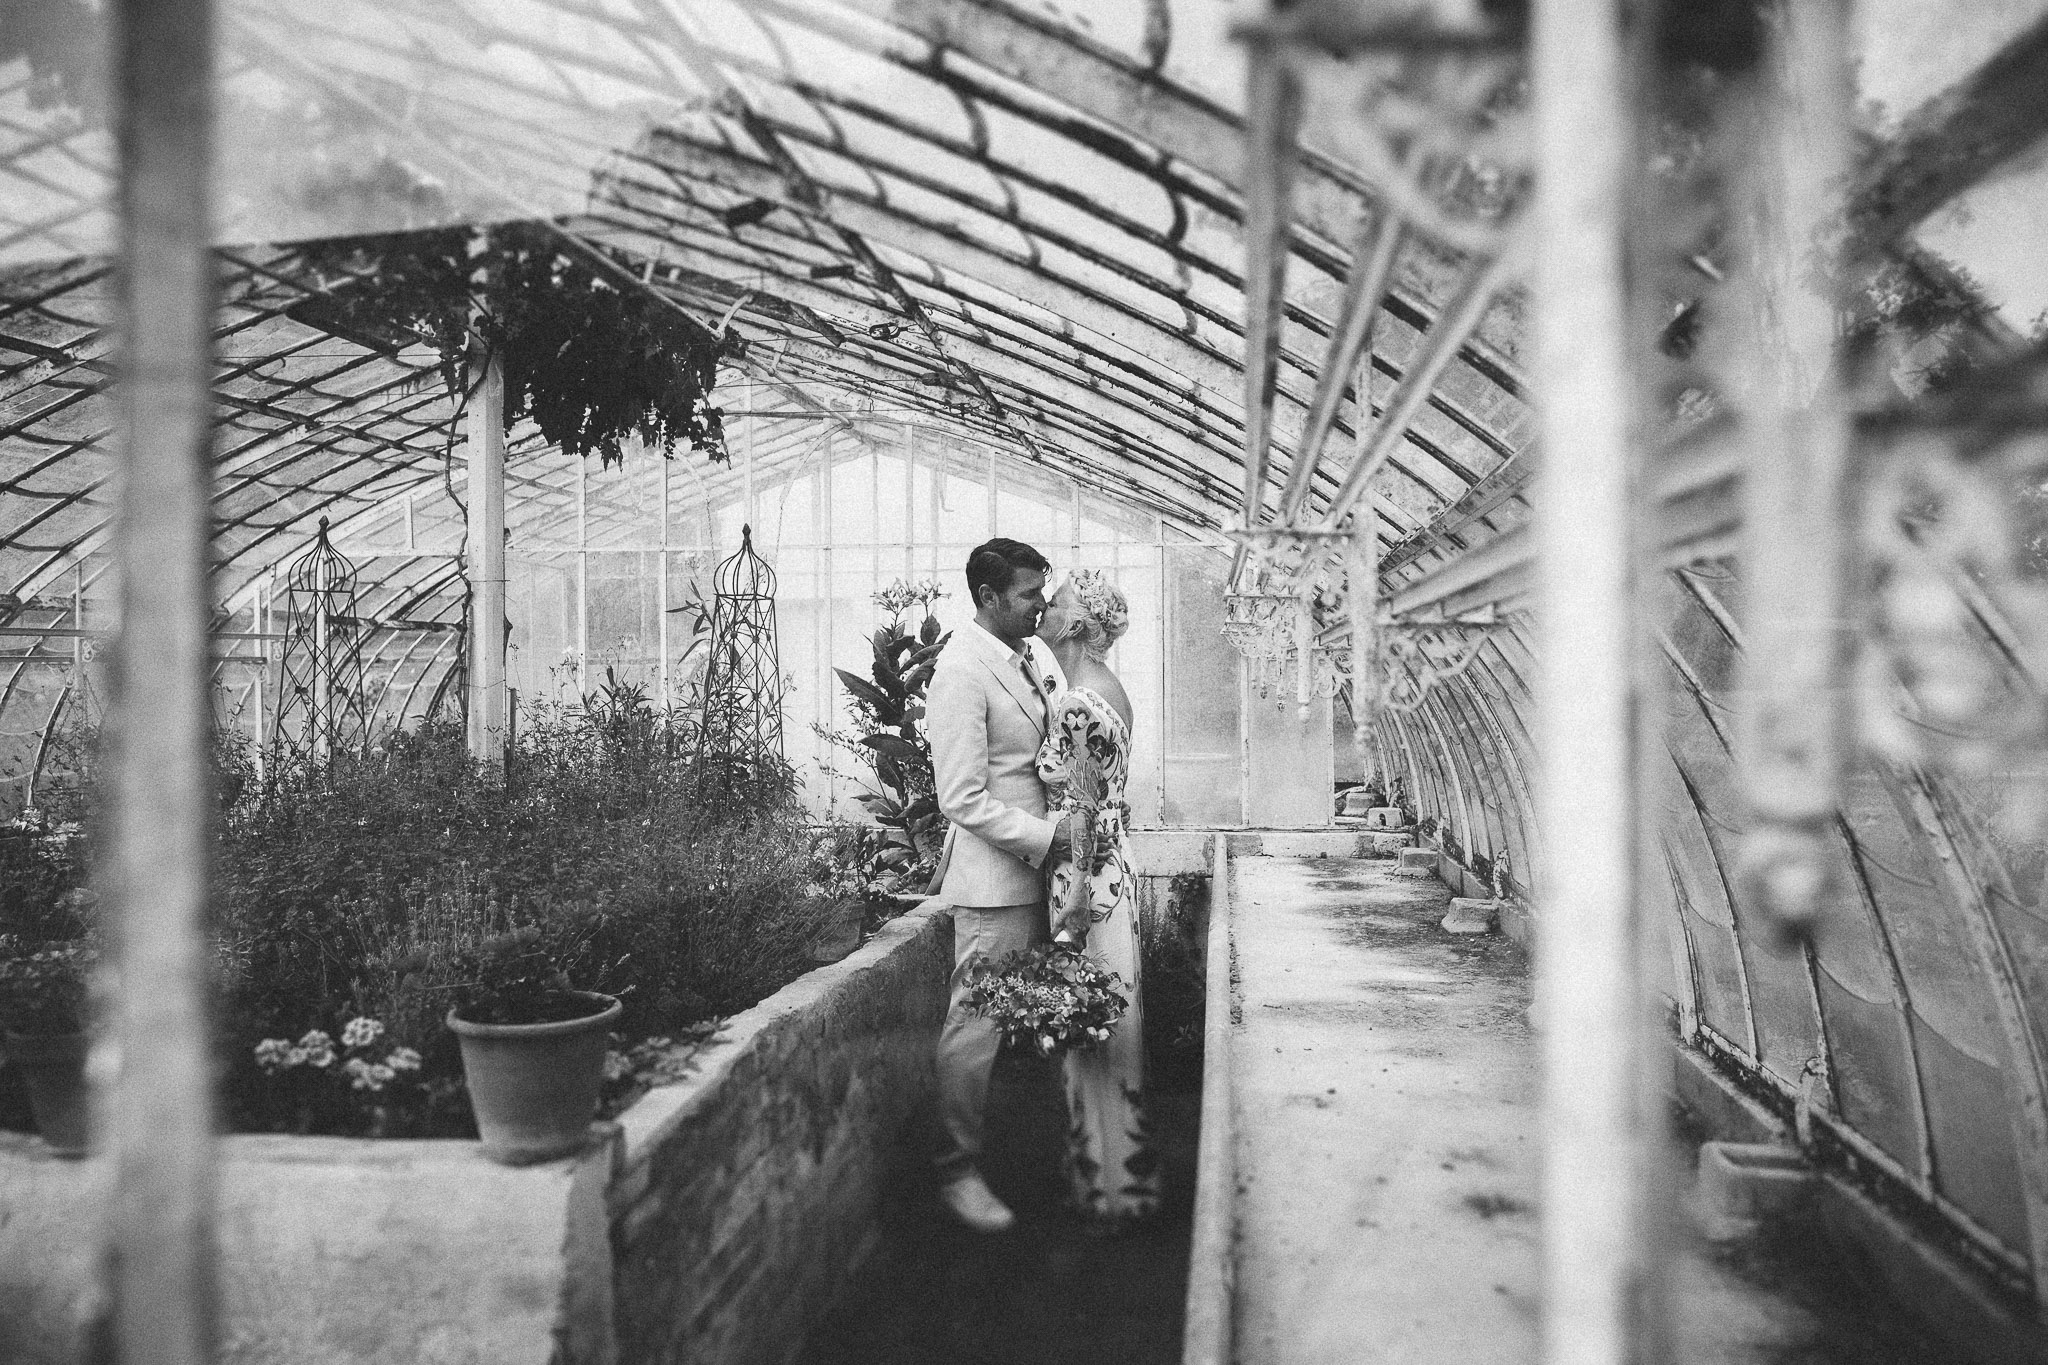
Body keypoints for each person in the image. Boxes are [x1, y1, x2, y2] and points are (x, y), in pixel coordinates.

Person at [926, 537, 1074, 1233]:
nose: (1041, 605)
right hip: (994, 885)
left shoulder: (1032, 656)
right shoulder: (960, 671)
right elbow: (960, 795)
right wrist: (1049, 839)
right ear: (986, 597)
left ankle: (1025, 1153)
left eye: (1043, 591)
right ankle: (954, 1168)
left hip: (1040, 876)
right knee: (976, 1027)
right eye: (1027, 594)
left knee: (1034, 1018)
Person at [1035, 569, 1161, 1230]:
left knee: (1090, 1025)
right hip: (1112, 869)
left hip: (1090, 880)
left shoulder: (1080, 702)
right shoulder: (1105, 689)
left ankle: (1105, 1190)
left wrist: (1077, 897)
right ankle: (1115, 1180)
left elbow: (1081, 809)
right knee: (1106, 1020)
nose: (1044, 610)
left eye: (1055, 603)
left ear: (1080, 624)